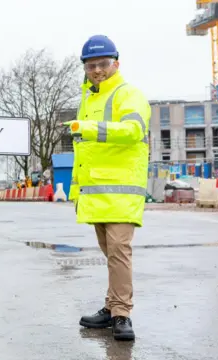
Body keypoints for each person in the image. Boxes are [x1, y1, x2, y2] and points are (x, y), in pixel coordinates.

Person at [65, 35, 150, 341]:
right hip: (97, 192)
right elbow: (85, 153)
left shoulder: (129, 94)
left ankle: (122, 315)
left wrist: (86, 128)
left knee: (119, 251)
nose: (97, 70)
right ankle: (111, 306)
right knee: (110, 253)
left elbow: (133, 131)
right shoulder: (87, 100)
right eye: (91, 65)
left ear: (116, 63)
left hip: (122, 190)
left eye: (102, 64)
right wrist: (77, 192)